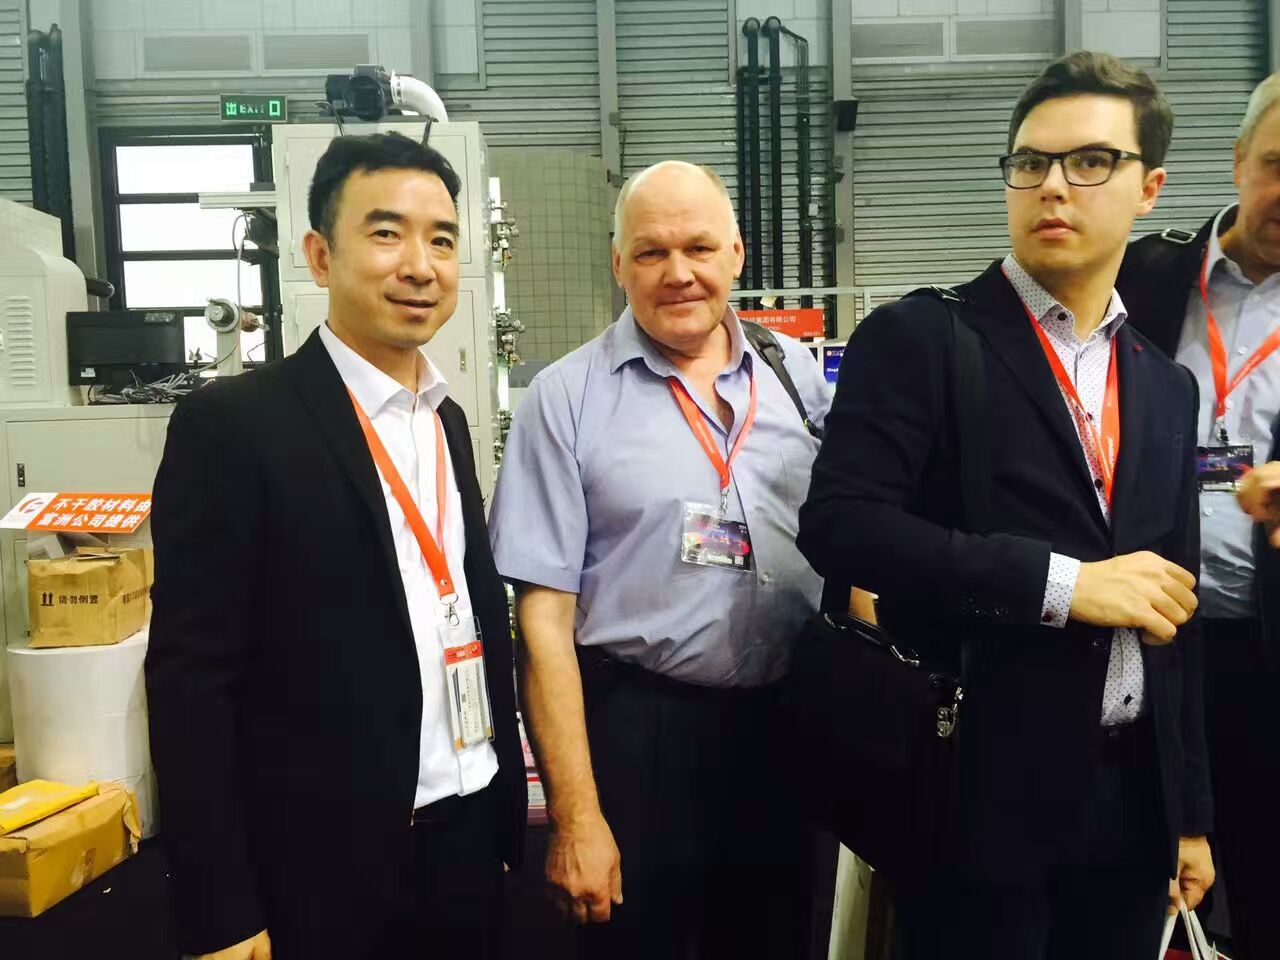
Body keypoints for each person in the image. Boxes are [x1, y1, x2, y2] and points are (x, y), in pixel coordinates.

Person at [799, 52, 1215, 958]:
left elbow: (1171, 608)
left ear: (1149, 188)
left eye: (1091, 161)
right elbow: (841, 524)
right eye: (1031, 162)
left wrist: (1187, 813)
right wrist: (1063, 585)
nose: (1052, 185)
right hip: (977, 796)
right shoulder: (923, 337)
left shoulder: (1163, 384)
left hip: (1130, 807)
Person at [145, 132, 526, 960]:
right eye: (386, 233)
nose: (420, 266)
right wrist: (220, 907)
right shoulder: (236, 427)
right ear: (320, 256)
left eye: (442, 240)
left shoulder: (447, 421)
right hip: (322, 867)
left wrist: (501, 827)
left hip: (466, 844)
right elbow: (190, 683)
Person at [488, 161, 830, 959]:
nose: (678, 273)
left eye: (699, 248)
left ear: (736, 253)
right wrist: (577, 816)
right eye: (650, 253)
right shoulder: (566, 400)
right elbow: (543, 625)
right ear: (618, 263)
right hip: (640, 739)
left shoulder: (797, 380)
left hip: (787, 730)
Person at [1117, 72, 1280, 960]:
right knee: (1138, 883)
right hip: (1145, 640)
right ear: (1237, 160)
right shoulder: (1144, 275)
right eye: (1277, 165)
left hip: (1266, 652)